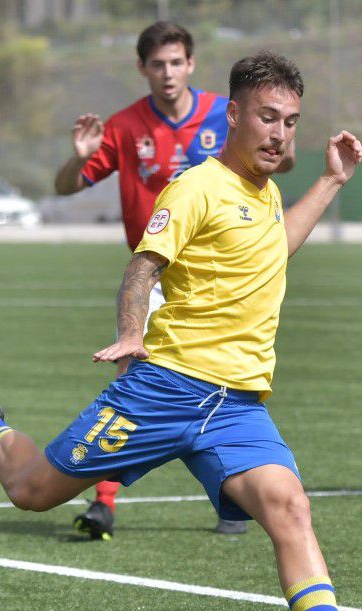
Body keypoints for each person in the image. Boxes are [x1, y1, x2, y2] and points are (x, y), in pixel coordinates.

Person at [0, 51, 362, 611]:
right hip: (164, 389)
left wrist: (333, 181)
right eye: (267, 117)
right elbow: (142, 269)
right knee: (31, 492)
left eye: (291, 121)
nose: (280, 133)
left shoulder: (268, 190)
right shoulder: (195, 187)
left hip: (236, 406)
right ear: (233, 114)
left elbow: (275, 247)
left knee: (290, 506)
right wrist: (134, 332)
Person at [53, 20, 295, 540]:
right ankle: (104, 499)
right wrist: (78, 160)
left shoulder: (227, 110)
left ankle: (230, 492)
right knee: (138, 383)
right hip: (156, 272)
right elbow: (67, 187)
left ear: (191, 64)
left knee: (210, 384)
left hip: (215, 271)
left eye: (176, 62)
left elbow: (282, 158)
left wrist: (279, 137)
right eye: (157, 64)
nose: (168, 73)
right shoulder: (122, 127)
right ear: (143, 69)